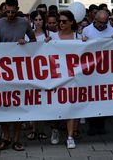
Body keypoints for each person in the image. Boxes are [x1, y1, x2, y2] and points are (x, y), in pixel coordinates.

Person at [0, 0, 36, 151]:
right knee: (3, 104)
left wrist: (26, 44)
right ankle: (5, 136)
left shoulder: (24, 22)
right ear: (4, 9)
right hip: (3, 69)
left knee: (18, 104)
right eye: (7, 11)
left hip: (20, 69)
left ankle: (16, 138)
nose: (10, 15)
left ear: (17, 9)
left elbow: (33, 40)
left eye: (13, 12)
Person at [45, 10, 81, 149]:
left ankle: (70, 136)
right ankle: (55, 130)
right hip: (56, 77)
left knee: (71, 106)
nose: (61, 23)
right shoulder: (52, 37)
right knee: (56, 105)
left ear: (72, 22)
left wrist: (85, 42)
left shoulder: (79, 37)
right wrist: (45, 43)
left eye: (64, 21)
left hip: (73, 77)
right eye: (60, 21)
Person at [81, 10, 113, 136]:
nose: (102, 25)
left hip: (106, 70)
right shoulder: (87, 31)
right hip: (91, 70)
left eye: (105, 22)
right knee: (91, 98)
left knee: (103, 99)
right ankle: (92, 125)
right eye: (100, 22)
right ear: (94, 20)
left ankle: (101, 125)